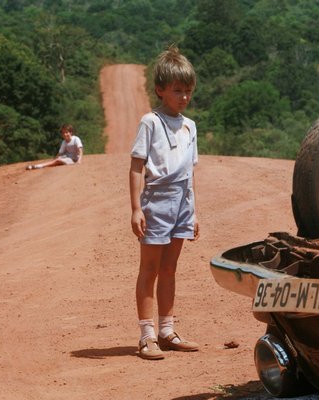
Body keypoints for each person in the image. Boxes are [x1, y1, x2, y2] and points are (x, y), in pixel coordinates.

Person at [129, 46, 200, 360]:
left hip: (182, 202)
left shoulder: (190, 126)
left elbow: (190, 172)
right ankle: (146, 335)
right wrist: (136, 208)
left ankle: (167, 331)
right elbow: (136, 166)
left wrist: (194, 212)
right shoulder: (150, 122)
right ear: (160, 89)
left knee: (170, 268)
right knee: (150, 268)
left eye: (188, 91)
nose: (184, 97)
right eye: (177, 90)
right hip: (156, 202)